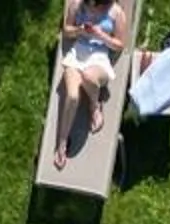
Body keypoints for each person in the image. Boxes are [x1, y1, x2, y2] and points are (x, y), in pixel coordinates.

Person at [54, 0, 130, 167]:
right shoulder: (76, 4)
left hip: (99, 58)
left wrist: (100, 34)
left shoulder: (116, 13)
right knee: (72, 96)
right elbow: (66, 31)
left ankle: (94, 106)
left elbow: (120, 45)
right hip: (77, 54)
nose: (94, 7)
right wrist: (80, 30)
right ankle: (61, 143)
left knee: (88, 77)